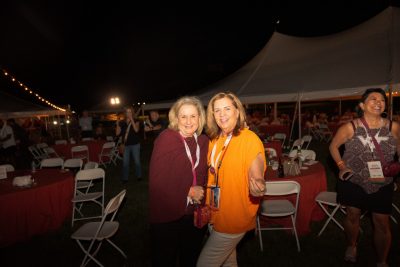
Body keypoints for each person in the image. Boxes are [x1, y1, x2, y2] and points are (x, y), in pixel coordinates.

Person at [329, 88, 399, 267]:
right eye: (373, 99)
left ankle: (382, 261)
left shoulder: (394, 127)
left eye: (382, 100)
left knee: (382, 222)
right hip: (354, 180)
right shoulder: (350, 127)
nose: (378, 102)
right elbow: (333, 146)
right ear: (362, 105)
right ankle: (352, 245)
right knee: (353, 215)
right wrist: (341, 166)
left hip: (382, 181)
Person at [197, 92, 266, 267]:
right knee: (228, 262)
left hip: (234, 217)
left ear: (237, 111)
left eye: (227, 108)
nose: (222, 114)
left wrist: (258, 182)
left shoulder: (249, 138)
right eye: (217, 110)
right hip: (214, 212)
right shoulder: (214, 140)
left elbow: (256, 166)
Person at [149, 96, 209, 267]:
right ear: (176, 118)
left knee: (190, 257)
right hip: (168, 213)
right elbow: (157, 180)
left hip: (193, 211)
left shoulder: (203, 141)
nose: (188, 121)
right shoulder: (167, 138)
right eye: (183, 116)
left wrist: (201, 192)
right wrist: (188, 191)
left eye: (193, 116)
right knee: (164, 259)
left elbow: (203, 173)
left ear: (200, 118)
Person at [116, 106, 141, 182]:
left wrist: (132, 119)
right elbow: (117, 133)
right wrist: (117, 124)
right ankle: (125, 178)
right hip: (125, 145)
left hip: (135, 144)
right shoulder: (121, 122)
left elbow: (136, 130)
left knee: (137, 161)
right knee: (125, 162)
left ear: (132, 113)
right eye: (127, 112)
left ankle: (139, 176)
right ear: (125, 113)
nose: (128, 113)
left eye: (130, 112)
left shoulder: (136, 120)